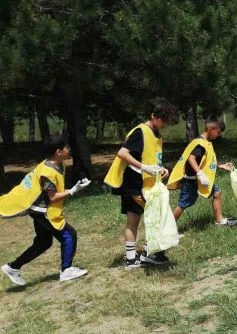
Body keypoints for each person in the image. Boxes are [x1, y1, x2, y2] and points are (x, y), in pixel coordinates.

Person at [0, 134, 91, 286]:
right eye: (66, 147)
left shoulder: (57, 164)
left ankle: (13, 267)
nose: (69, 149)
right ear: (58, 152)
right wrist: (73, 191)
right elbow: (53, 197)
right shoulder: (48, 172)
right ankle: (66, 270)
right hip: (43, 212)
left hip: (39, 211)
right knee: (69, 235)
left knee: (43, 242)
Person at [104, 97, 179, 268]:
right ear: (153, 115)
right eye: (164, 119)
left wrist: (160, 168)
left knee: (134, 218)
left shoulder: (156, 133)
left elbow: (149, 156)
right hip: (134, 184)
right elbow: (122, 153)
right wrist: (145, 168)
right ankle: (149, 253)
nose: (166, 123)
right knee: (156, 214)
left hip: (145, 184)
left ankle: (131, 258)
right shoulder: (141, 132)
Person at [168, 116, 237, 226]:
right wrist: (200, 173)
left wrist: (222, 165)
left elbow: (208, 160)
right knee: (183, 204)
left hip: (200, 180)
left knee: (217, 192)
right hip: (192, 181)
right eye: (218, 132)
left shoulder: (206, 142)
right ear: (210, 129)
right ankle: (167, 228)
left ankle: (219, 221)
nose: (219, 135)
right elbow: (191, 158)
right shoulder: (200, 144)